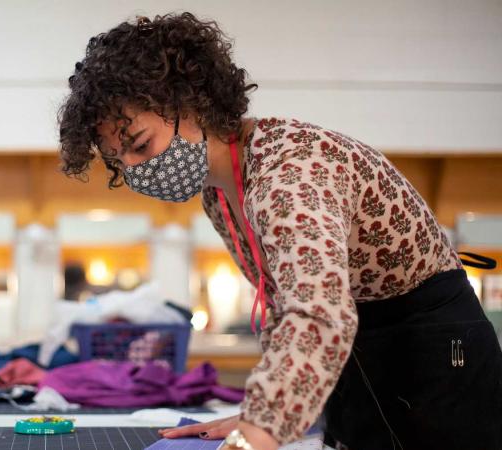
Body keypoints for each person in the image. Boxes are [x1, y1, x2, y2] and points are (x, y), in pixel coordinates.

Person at [57, 12, 502, 450]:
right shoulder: (219, 196)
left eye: (139, 145)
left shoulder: (289, 172)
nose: (135, 171)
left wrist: (254, 436)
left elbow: (318, 313)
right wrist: (261, 412)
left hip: (437, 359)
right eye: (120, 161)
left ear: (188, 102)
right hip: (365, 365)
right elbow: (285, 307)